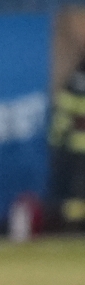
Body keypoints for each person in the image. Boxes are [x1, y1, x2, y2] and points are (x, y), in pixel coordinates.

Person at [48, 54, 85, 232]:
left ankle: (72, 226)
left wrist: (56, 141)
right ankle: (74, 226)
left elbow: (64, 112)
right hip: (76, 146)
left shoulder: (75, 78)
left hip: (72, 146)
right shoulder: (78, 78)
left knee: (75, 189)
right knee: (77, 190)